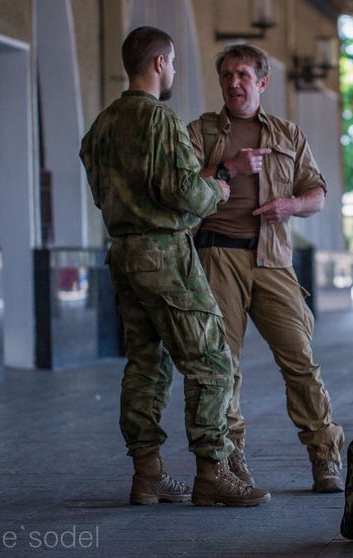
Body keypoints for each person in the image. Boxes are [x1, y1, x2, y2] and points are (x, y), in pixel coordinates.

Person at [79, 26, 270, 508]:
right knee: (211, 361)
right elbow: (184, 191)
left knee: (145, 363)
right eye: (174, 64)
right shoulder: (158, 120)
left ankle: (148, 474)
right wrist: (217, 191)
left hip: (122, 253)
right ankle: (212, 471)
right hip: (164, 255)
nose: (174, 73)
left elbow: (104, 189)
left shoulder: (102, 125)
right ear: (161, 63)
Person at [187, 43, 345, 493]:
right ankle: (230, 458)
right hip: (218, 255)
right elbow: (180, 190)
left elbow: (316, 193)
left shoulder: (287, 134)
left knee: (300, 359)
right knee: (223, 366)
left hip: (273, 258)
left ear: (262, 82)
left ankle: (325, 456)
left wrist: (290, 205)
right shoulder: (200, 133)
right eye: (226, 76)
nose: (234, 83)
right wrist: (227, 169)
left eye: (242, 75)